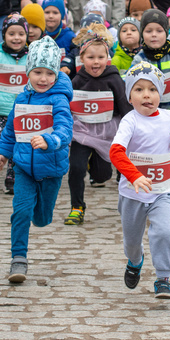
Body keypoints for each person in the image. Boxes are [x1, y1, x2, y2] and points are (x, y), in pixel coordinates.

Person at [110, 61, 170, 300]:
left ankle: (163, 278)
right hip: (132, 194)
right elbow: (116, 152)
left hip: (163, 190)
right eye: (139, 89)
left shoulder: (169, 118)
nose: (147, 95)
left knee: (164, 231)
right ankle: (135, 261)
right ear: (130, 96)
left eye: (152, 89)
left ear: (160, 93)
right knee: (132, 241)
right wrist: (134, 176)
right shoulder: (129, 121)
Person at [0, 35, 73, 283]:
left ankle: (42, 213)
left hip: (51, 168)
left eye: (49, 73)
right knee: (20, 211)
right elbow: (10, 131)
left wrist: (50, 140)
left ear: (56, 74)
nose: (43, 79)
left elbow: (65, 128)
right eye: (37, 72)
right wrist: (2, 153)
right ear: (28, 72)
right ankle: (18, 259)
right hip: (24, 167)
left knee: (42, 217)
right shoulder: (21, 98)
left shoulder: (58, 99)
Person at [65, 25, 129, 225]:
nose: (96, 62)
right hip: (82, 131)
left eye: (101, 57)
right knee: (75, 167)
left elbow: (125, 107)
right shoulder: (75, 81)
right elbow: (67, 107)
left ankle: (96, 165)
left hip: (107, 132)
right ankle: (77, 207)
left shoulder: (114, 79)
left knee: (102, 175)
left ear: (107, 58)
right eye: (90, 57)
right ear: (82, 58)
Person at [0, 14, 30, 194]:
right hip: (1, 111)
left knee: (18, 145)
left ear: (26, 36)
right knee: (0, 147)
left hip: (23, 112)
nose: (16, 38)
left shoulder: (31, 57)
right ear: (4, 35)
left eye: (20, 34)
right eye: (11, 34)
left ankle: (12, 177)